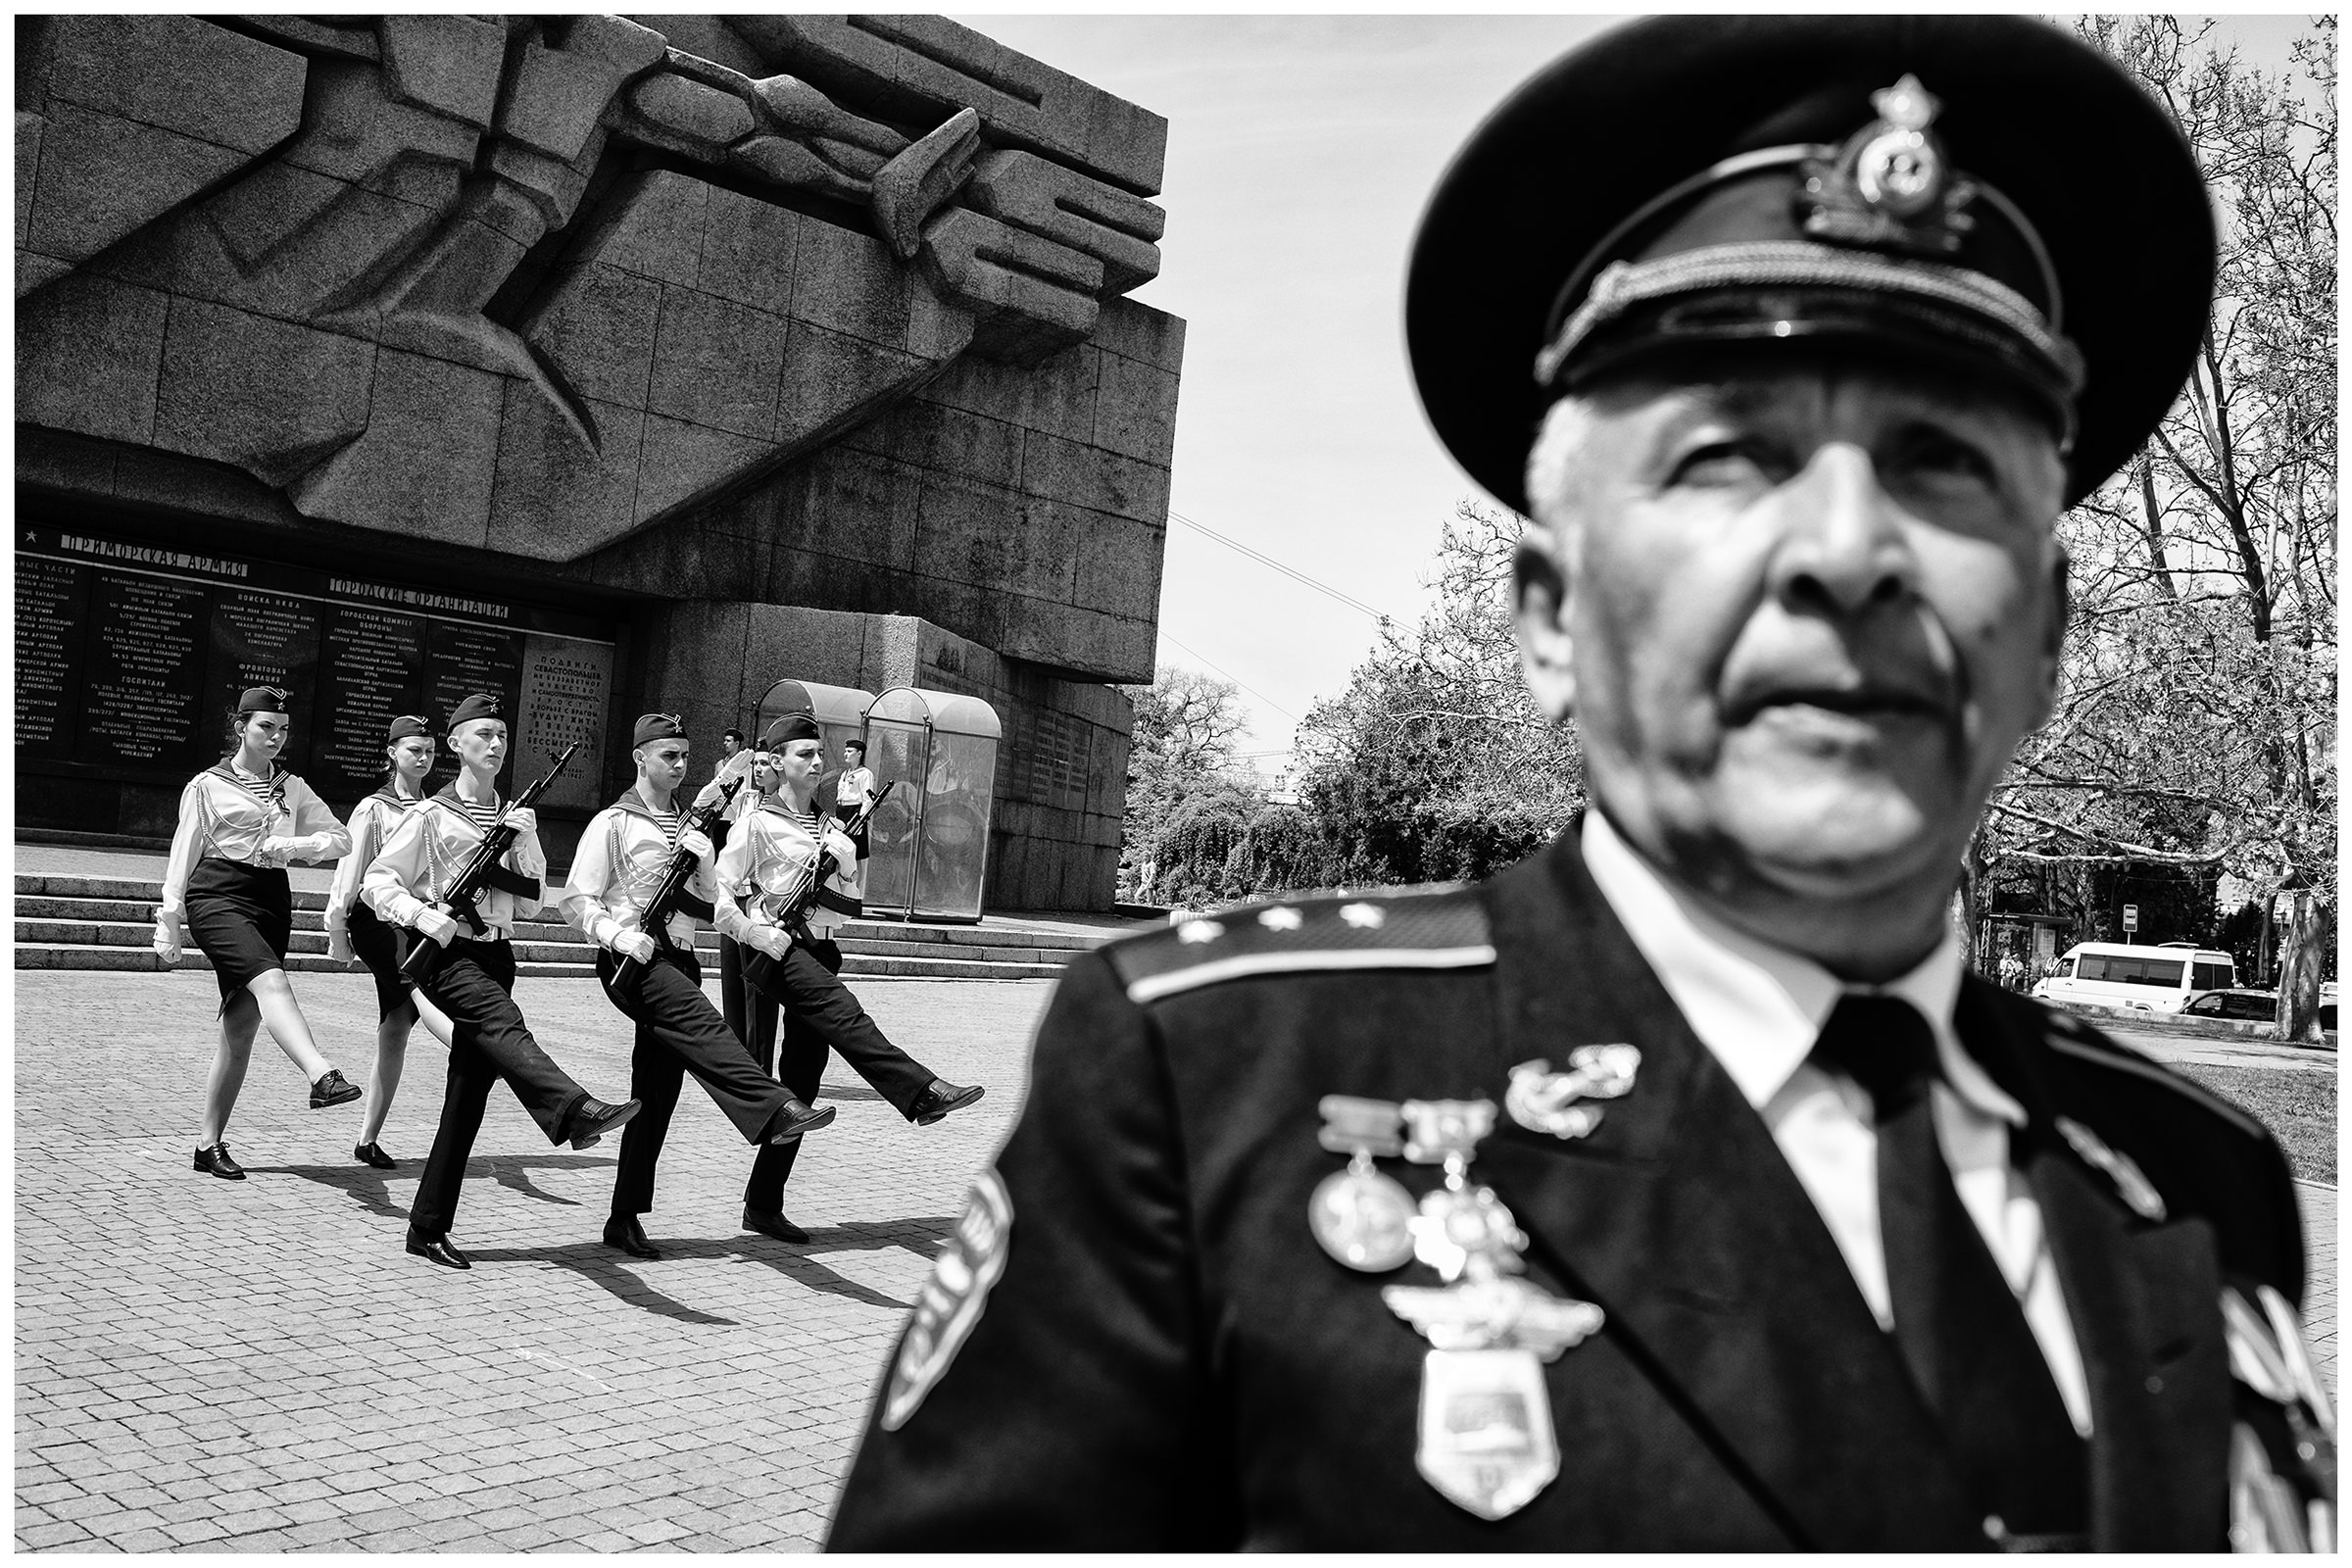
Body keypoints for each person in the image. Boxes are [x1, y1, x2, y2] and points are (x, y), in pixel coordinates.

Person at [828, 17, 2331, 1552]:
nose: (1846, 553)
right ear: (1550, 617)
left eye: (1944, 464)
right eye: (1729, 459)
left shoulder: (2193, 1173)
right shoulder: (1218, 1086)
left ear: (2046, 638)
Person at [364, 694, 642, 1269]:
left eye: (502, 735)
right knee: (504, 1025)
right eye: (483, 734)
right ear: (455, 745)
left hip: (496, 954)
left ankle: (427, 1226)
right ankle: (573, 1108)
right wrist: (422, 914)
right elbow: (378, 882)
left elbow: (535, 902)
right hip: (447, 954)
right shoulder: (429, 817)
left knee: (467, 1098)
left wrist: (525, 839)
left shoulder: (514, 817)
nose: (495, 744)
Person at [557, 713, 834, 1261]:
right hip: (631, 961)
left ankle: (623, 1216)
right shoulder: (613, 822)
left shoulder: (688, 824)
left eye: (685, 756)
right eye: (669, 756)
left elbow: (707, 907)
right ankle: (771, 1105)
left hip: (679, 961)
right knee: (708, 1027)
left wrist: (704, 866)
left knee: (656, 1092)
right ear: (641, 758)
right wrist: (615, 934)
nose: (680, 766)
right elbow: (575, 900)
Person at [715, 713, 985, 1245]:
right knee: (848, 1016)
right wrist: (754, 930)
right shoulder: (756, 823)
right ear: (776, 762)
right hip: (781, 949)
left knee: (803, 1082)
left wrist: (841, 865)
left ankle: (763, 1205)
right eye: (803, 755)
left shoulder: (831, 827)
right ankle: (920, 1091)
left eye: (819, 754)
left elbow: (849, 905)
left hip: (823, 947)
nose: (816, 763)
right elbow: (723, 899)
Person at [155, 686, 362, 1181]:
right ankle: (321, 1075)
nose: (276, 737)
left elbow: (341, 838)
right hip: (218, 894)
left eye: (283, 728)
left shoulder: (292, 786)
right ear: (240, 727)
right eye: (266, 726)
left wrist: (294, 845)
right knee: (272, 983)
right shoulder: (207, 785)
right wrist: (171, 918)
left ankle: (208, 1144)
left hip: (271, 899)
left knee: (241, 1026)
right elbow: (183, 852)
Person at [322, 714, 462, 1168]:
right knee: (417, 986)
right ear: (392, 754)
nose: (422, 759)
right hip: (375, 920)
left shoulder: (438, 811)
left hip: (418, 921)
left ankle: (367, 1139)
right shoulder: (373, 808)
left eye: (429, 752)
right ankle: (476, 1047)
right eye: (413, 751)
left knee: (397, 1026)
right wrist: (337, 930)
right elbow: (350, 873)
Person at [716, 745, 783, 1076]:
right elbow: (710, 811)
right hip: (732, 900)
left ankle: (759, 1067)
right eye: (754, 763)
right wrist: (726, 777)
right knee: (731, 980)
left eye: (764, 764)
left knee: (758, 990)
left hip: (758, 905)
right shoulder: (743, 799)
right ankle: (738, 1063)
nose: (757, 769)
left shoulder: (786, 807)